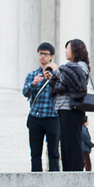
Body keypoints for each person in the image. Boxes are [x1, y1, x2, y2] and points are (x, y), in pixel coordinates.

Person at [45, 39, 90, 172]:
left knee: (73, 144)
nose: (65, 52)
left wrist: (57, 71)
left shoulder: (81, 66)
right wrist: (52, 78)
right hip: (62, 108)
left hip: (72, 109)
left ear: (76, 50)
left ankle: (75, 174)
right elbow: (63, 84)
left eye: (68, 49)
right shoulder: (69, 67)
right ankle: (67, 174)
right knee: (65, 145)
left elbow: (74, 84)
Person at [22, 42, 60, 172]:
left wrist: (53, 79)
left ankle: (55, 178)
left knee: (54, 153)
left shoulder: (57, 75)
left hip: (52, 116)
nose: (42, 56)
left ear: (51, 56)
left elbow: (61, 92)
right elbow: (25, 93)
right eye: (40, 53)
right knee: (35, 153)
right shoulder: (32, 75)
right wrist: (33, 84)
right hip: (35, 117)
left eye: (45, 54)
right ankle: (36, 180)